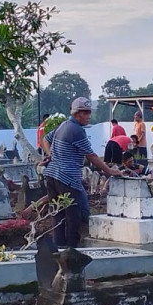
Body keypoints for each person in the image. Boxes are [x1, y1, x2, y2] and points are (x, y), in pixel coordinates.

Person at [42, 97, 123, 247]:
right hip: (67, 178)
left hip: (52, 175)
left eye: (89, 112)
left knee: (57, 214)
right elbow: (91, 155)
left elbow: (45, 140)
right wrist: (109, 170)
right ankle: (72, 250)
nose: (88, 116)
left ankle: (58, 247)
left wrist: (50, 154)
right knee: (73, 216)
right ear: (77, 113)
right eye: (85, 113)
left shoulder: (63, 125)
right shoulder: (77, 130)